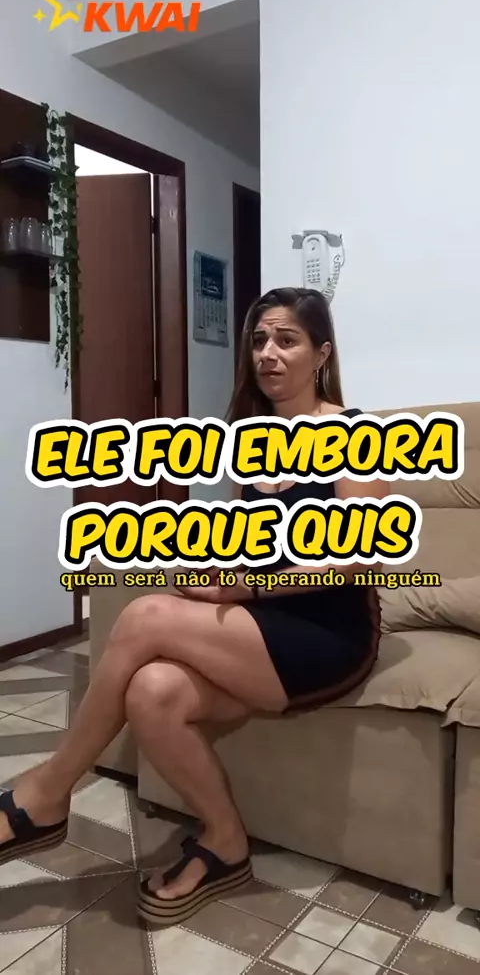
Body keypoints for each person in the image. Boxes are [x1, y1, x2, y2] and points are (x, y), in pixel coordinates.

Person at [0, 286, 386, 925]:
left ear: (321, 354)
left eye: (286, 340)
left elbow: (357, 560)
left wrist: (243, 590)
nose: (267, 353)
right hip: (264, 622)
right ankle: (225, 841)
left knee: (144, 617)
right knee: (151, 691)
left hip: (329, 631)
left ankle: (45, 794)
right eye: (258, 340)